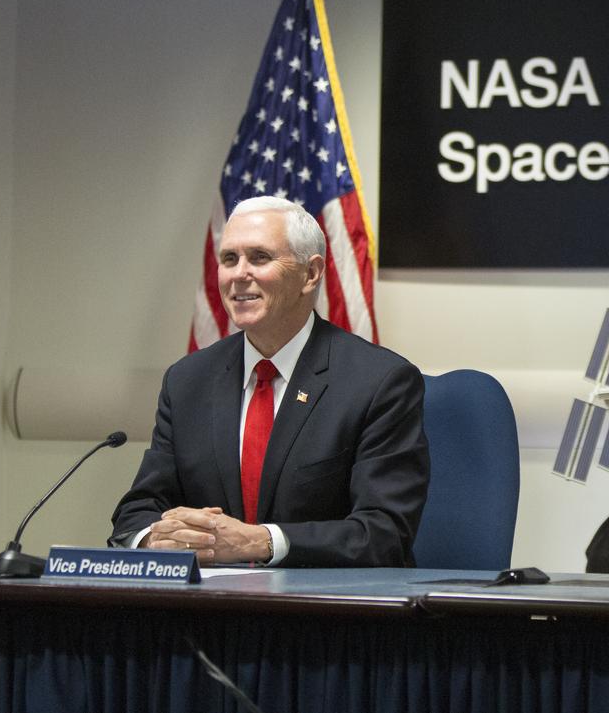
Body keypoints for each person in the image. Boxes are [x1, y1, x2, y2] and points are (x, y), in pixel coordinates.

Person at [109, 196, 429, 567]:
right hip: (208, 612)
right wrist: (155, 540)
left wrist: (261, 542)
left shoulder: (379, 382)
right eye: (229, 259)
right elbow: (139, 509)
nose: (239, 274)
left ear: (311, 274)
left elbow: (384, 532)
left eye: (259, 258)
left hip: (324, 610)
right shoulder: (187, 382)